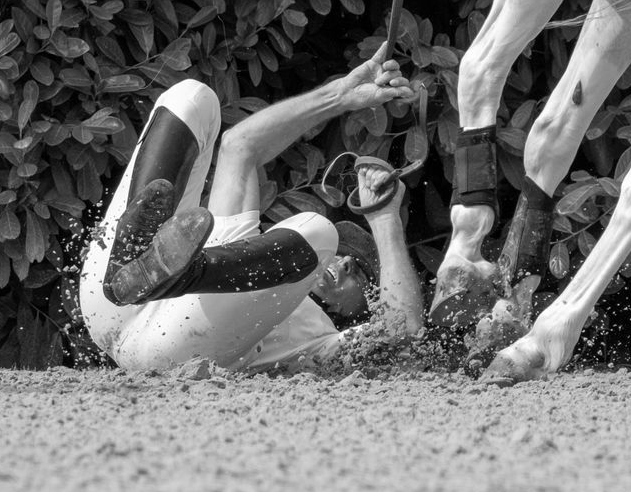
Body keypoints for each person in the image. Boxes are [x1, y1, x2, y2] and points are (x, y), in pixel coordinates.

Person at [78, 50, 424, 372]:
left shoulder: (325, 341)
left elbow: (403, 330)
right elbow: (241, 145)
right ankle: (133, 254)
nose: (345, 263)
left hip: (173, 346)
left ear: (360, 311)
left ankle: (180, 274)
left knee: (321, 232)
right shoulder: (252, 257)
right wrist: (339, 95)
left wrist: (384, 217)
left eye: (361, 273)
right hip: (111, 295)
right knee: (193, 97)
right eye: (346, 259)